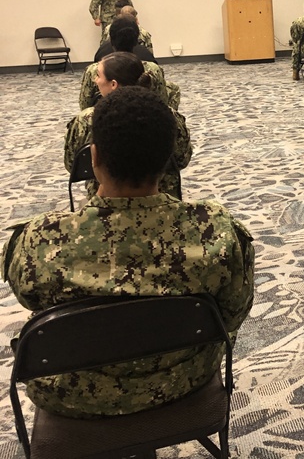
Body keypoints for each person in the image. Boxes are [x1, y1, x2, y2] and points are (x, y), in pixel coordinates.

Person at [3, 86, 254, 419]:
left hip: (73, 396)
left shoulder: (40, 240)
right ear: (169, 160)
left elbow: (30, 300)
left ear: (93, 158)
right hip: (184, 379)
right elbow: (233, 313)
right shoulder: (216, 231)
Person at [66, 51, 191, 199]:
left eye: (98, 75)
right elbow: (183, 158)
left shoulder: (85, 120)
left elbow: (72, 164)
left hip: (106, 202)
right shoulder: (168, 114)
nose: (95, 80)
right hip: (162, 194)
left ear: (113, 84)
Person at [79, 18, 171, 109]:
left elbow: (85, 105)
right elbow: (162, 102)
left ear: (110, 40)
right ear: (136, 40)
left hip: (103, 118)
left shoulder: (94, 70)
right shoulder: (153, 69)